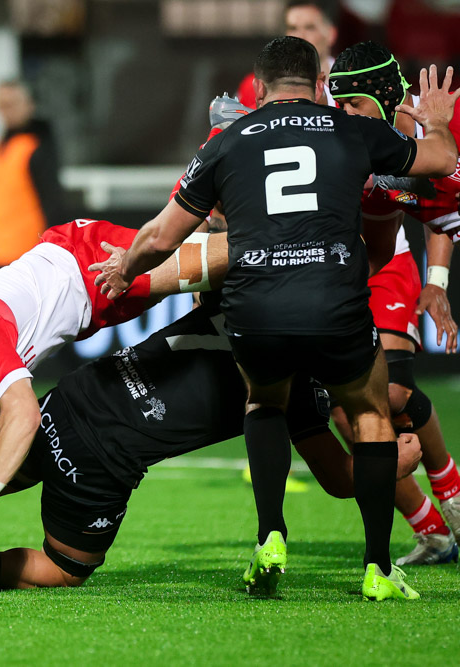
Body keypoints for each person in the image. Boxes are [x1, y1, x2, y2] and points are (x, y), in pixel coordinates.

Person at [91, 36, 459, 600]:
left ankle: (270, 535)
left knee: (265, 403)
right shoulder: (351, 130)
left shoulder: (228, 139)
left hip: (255, 306)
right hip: (335, 301)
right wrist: (434, 120)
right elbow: (440, 163)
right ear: (319, 88)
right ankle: (380, 567)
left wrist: (126, 270)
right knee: (369, 415)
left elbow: (162, 235)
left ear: (258, 89)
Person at [0, 297, 421, 592]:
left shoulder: (243, 300)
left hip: (77, 396)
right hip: (107, 456)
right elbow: (342, 480)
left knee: (4, 458)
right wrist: (398, 459)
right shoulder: (306, 396)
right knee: (65, 569)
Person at [0, 219, 226, 539]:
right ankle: (209, 209)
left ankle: (215, 162)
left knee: (240, 256)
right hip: (77, 293)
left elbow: (26, 414)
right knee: (197, 257)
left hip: (89, 267)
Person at [328, 41, 460, 565]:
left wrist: (438, 281)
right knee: (345, 414)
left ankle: (451, 497)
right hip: (335, 273)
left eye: (354, 105)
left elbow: (443, 207)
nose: (344, 116)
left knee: (397, 396)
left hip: (385, 268)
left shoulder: (427, 128)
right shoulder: (330, 122)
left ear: (382, 97)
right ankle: (430, 530)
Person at [0, 79, 65, 280]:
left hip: (25, 255)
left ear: (30, 105)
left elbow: (52, 201)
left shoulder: (36, 146)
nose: (6, 111)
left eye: (12, 104)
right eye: (1, 105)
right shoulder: (1, 144)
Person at [236, 0, 339, 109]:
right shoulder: (255, 86)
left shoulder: (351, 82)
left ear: (331, 34)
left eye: (310, 28)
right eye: (293, 28)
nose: (300, 36)